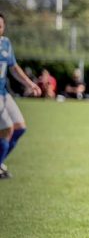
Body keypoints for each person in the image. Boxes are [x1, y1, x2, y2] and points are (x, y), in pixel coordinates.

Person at [0, 12, 42, 179]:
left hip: (3, 93)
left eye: (0, 26)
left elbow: (14, 68)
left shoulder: (6, 44)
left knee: (20, 127)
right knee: (7, 129)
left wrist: (30, 84)